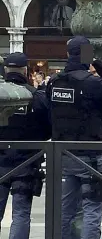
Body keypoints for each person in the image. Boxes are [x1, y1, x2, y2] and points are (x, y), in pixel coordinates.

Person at [46, 36, 102, 239]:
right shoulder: (93, 83)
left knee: (66, 208)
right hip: (91, 153)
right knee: (92, 207)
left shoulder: (54, 82)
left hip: (63, 153)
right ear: (87, 55)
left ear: (67, 54)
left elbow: (50, 111)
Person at [0, 52, 51, 239]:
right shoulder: (36, 95)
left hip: (0, 159)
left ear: (6, 70)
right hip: (27, 161)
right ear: (25, 70)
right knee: (21, 213)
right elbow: (48, 128)